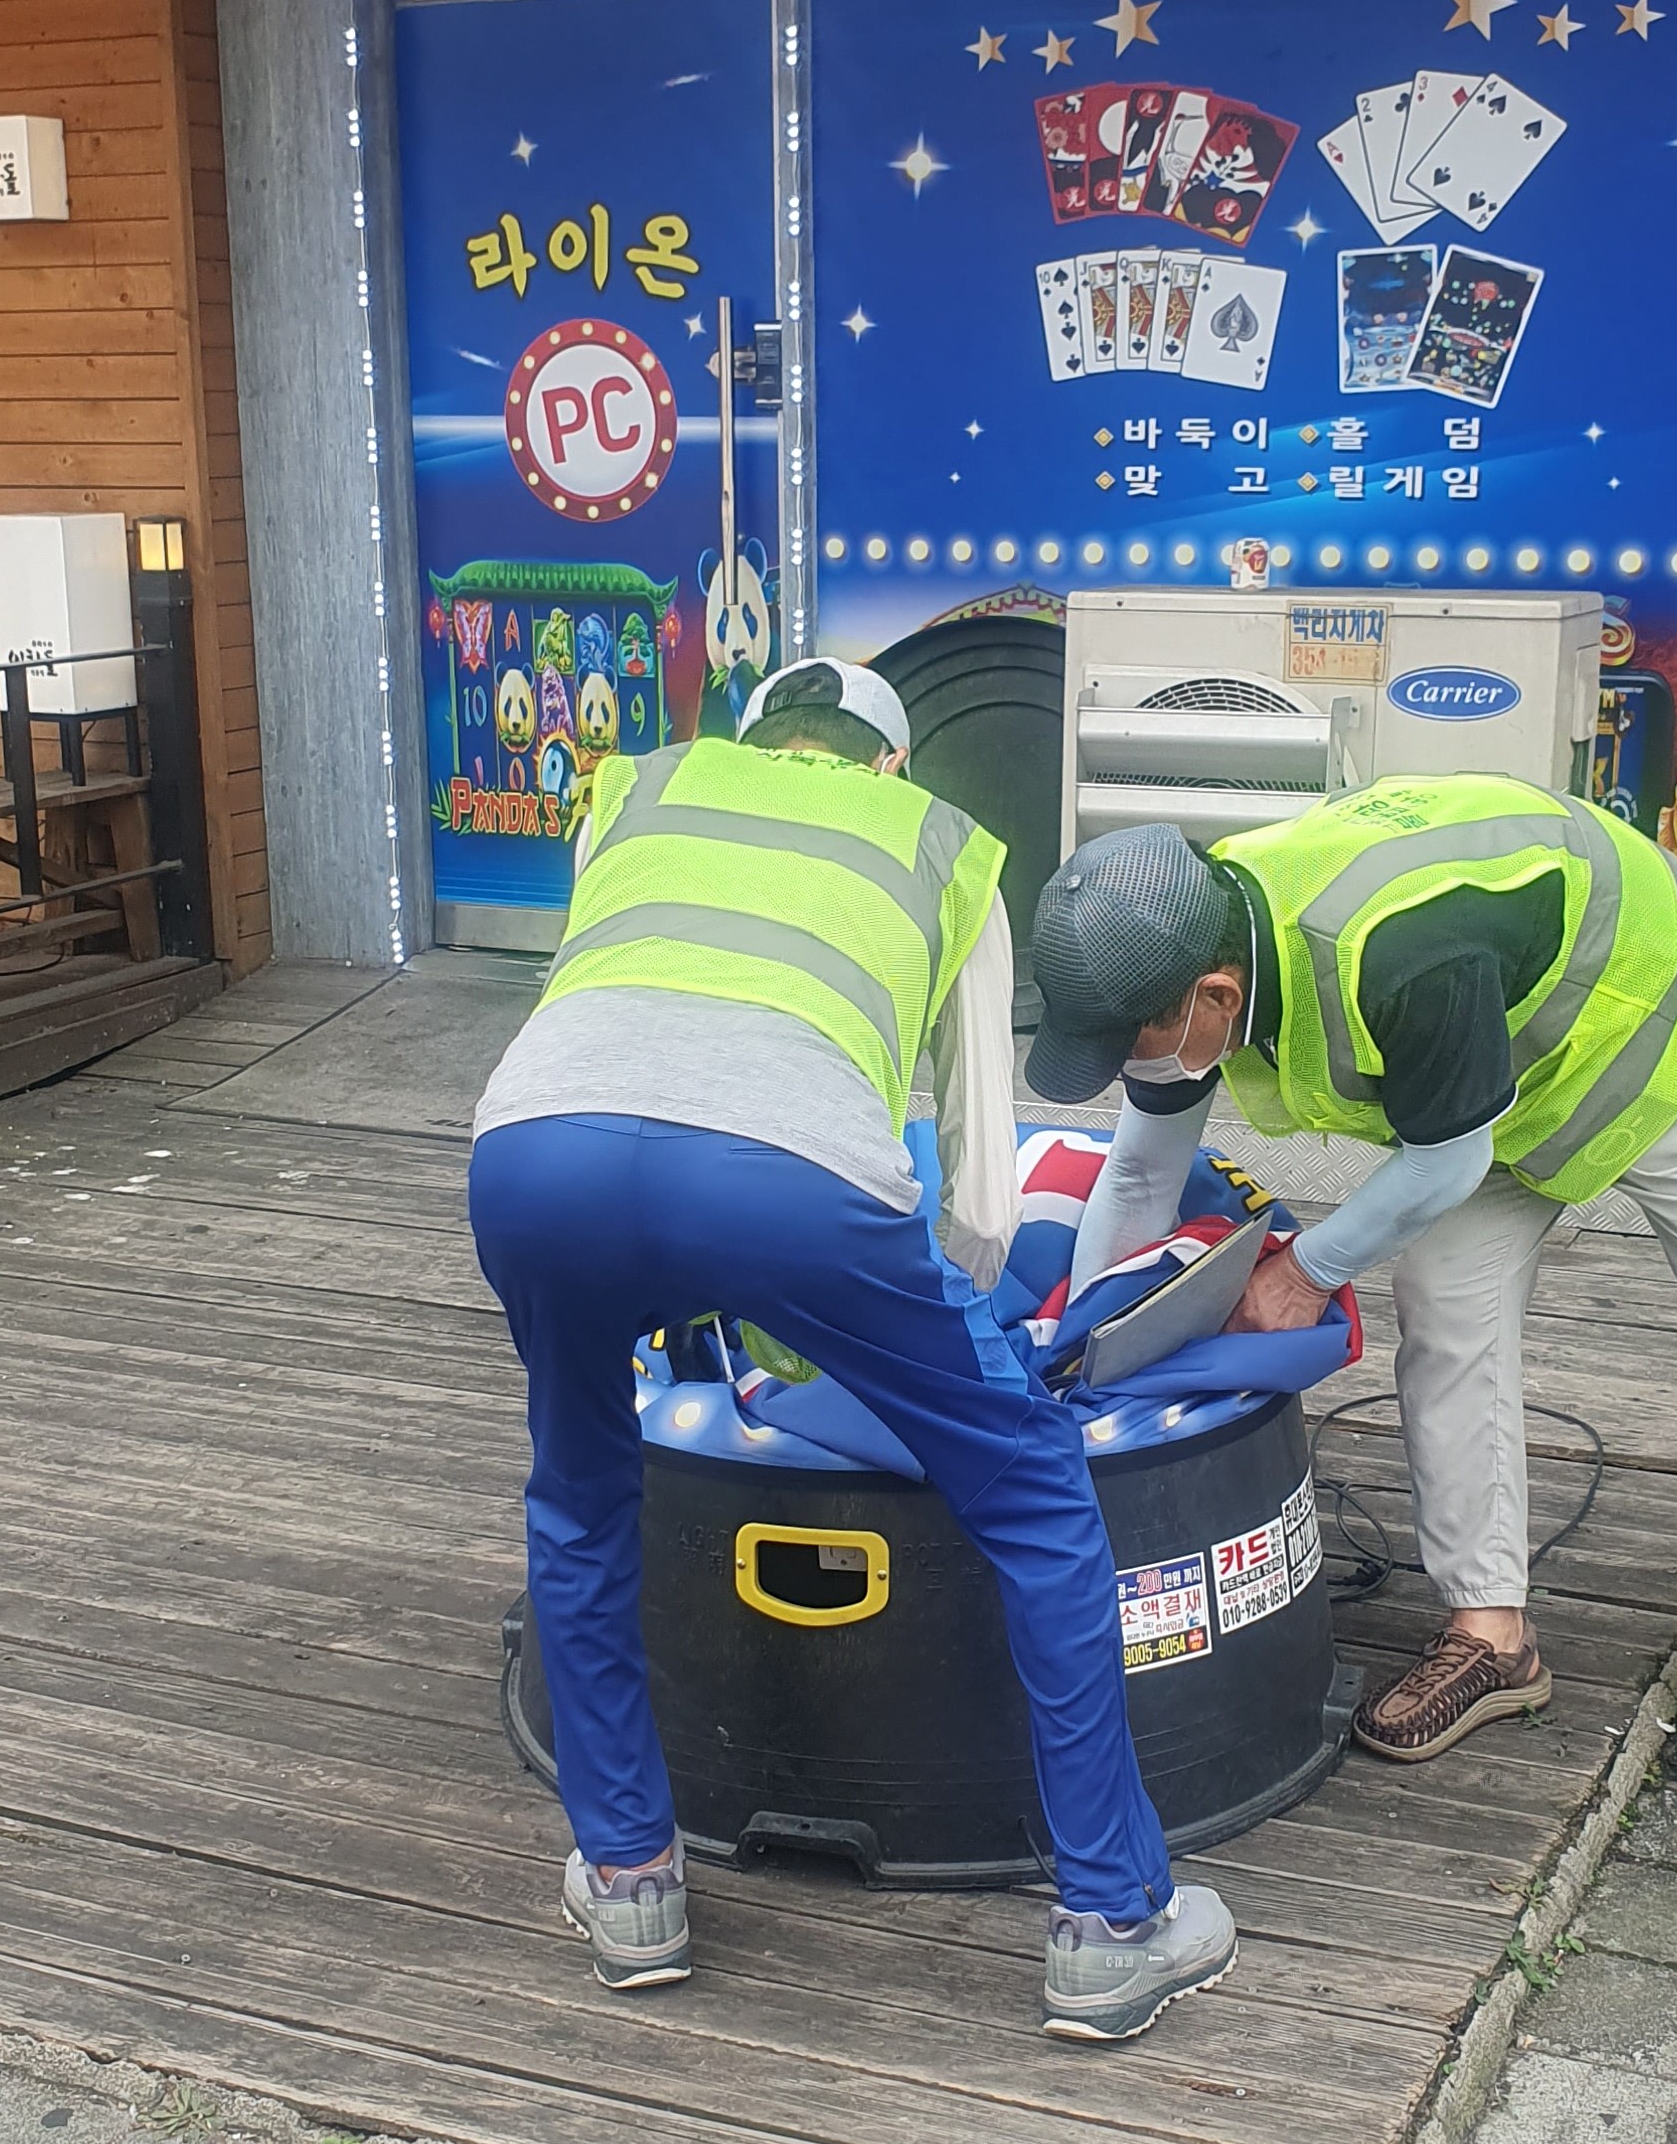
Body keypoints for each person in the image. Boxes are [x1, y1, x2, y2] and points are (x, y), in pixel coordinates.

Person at [467, 659, 1238, 2037]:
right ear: (887, 766)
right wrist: (955, 1341)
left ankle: (633, 1880)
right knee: (1034, 1487)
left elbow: (626, 1018)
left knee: (580, 1496)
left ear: (754, 741)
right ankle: (1115, 1918)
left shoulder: (636, 788)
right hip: (795, 1179)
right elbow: (983, 1199)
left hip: (534, 1146)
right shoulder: (942, 847)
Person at [1024, 777, 1677, 1810]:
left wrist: (1302, 1273)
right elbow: (1138, 1175)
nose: (1125, 1069)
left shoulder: (1392, 949)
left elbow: (1440, 1163)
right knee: (1443, 1305)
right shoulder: (1192, 932)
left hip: (1676, 1035)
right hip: (1502, 1081)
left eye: (1128, 1047)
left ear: (1214, 996)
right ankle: (1494, 1633)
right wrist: (1084, 1335)